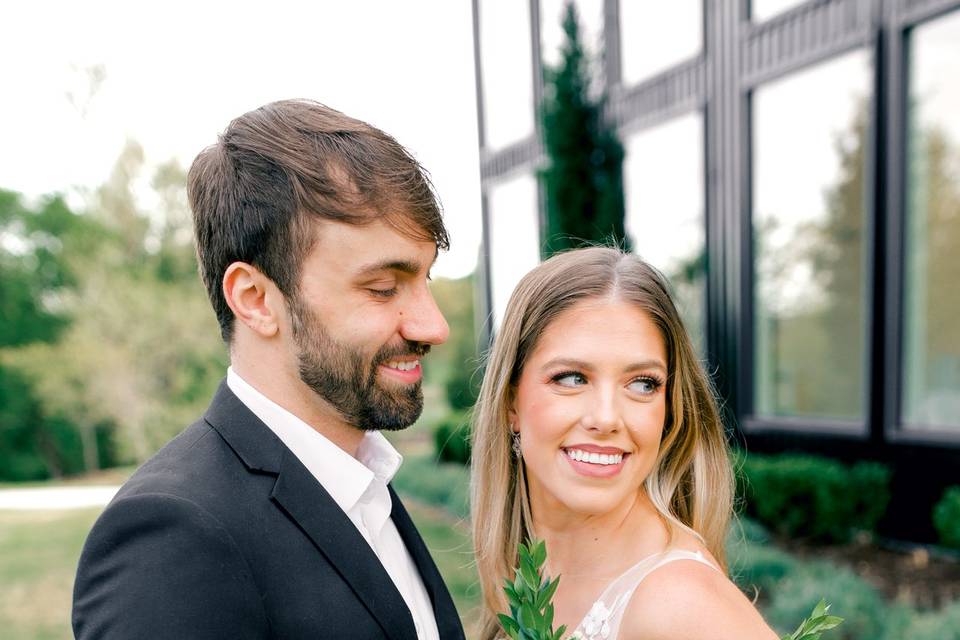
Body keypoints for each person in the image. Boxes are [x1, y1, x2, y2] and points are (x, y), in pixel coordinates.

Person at [72, 99, 465, 640]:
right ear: (255, 299)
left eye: (426, 281)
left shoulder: (364, 481)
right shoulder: (171, 539)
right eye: (383, 289)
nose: (433, 325)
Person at [471, 247, 777, 640]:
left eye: (642, 384)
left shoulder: (681, 603)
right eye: (571, 378)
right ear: (511, 399)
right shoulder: (529, 572)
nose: (606, 418)